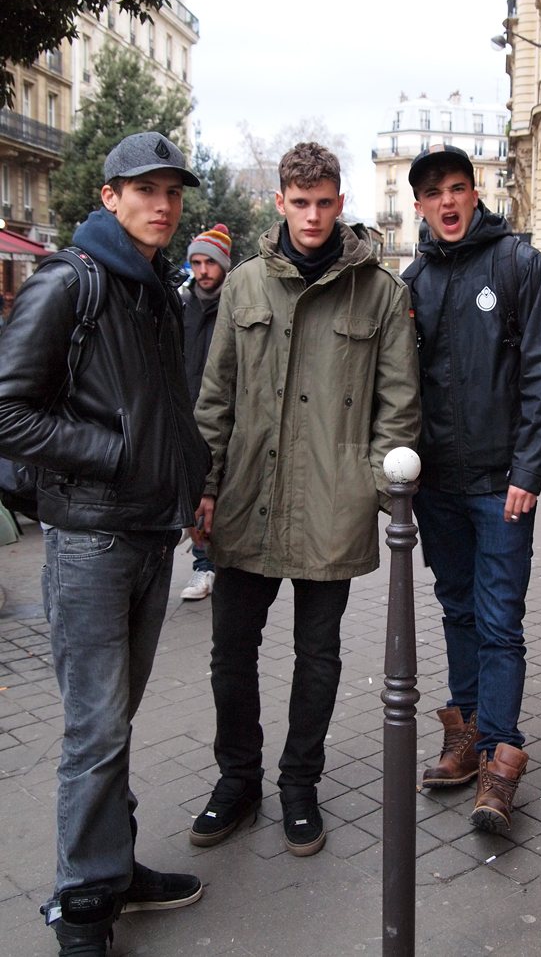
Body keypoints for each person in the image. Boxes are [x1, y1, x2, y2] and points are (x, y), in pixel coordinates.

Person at [0, 132, 211, 955]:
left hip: (150, 535)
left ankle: (112, 865)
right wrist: (114, 453)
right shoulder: (71, 281)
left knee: (112, 720)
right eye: (145, 189)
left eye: (173, 191)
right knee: (94, 729)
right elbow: (8, 410)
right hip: (89, 538)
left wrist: (188, 480)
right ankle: (84, 905)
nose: (162, 204)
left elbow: (164, 406)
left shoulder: (152, 287)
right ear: (109, 195)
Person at [190, 142, 420, 856]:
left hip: (332, 501)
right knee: (231, 652)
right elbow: (216, 396)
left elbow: (398, 407)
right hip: (247, 495)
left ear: (340, 202)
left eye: (324, 203)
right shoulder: (244, 286)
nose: (313, 216)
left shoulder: (380, 292)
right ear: (281, 203)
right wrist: (204, 485)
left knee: (318, 654)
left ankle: (299, 783)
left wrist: (372, 487)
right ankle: (238, 779)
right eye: (300, 203)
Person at [402, 144, 541, 833]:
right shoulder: (413, 280)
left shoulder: (520, 265)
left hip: (502, 486)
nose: (447, 201)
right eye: (433, 192)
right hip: (438, 486)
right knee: (458, 609)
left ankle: (500, 759)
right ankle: (467, 732)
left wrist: (528, 472)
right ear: (419, 204)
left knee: (500, 620)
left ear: (475, 193)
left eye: (457, 187)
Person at [179, 223, 232, 601]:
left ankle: (208, 565)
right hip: (185, 413)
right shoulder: (181, 305)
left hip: (223, 414)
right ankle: (203, 563)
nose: (202, 270)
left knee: (214, 492)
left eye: (209, 263)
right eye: (196, 263)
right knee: (193, 492)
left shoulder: (234, 304)